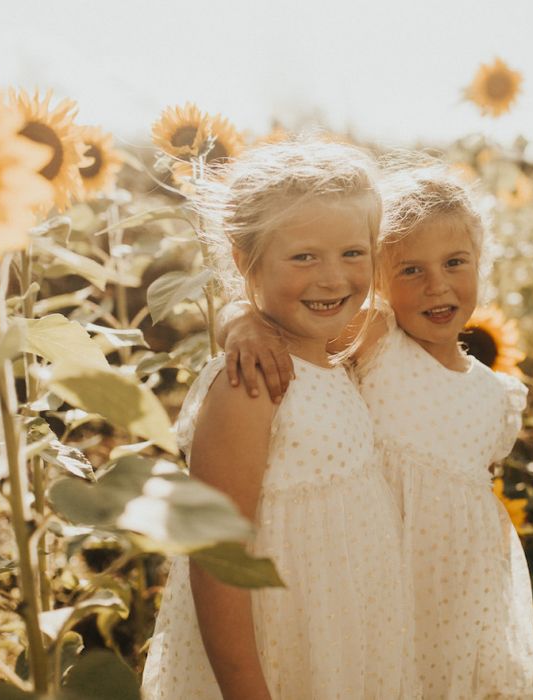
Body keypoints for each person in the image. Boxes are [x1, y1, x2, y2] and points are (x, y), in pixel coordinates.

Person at [220, 158, 533, 699]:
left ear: (482, 265)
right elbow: (282, 317)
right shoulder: (378, 339)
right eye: (410, 270)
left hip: (462, 607)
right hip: (376, 597)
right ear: (379, 278)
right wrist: (238, 323)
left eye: (456, 263)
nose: (437, 286)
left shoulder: (497, 397)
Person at [142, 140, 417, 700]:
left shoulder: (342, 345)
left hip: (350, 636)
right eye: (304, 257)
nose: (333, 278)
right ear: (246, 261)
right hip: (279, 649)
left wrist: (240, 317)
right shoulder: (251, 384)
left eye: (353, 253)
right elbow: (216, 557)